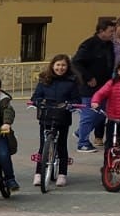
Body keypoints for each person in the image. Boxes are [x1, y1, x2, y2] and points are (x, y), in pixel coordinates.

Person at [29, 54, 81, 187]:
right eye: (58, 65)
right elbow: (36, 96)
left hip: (63, 116)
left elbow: (76, 99)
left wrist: (72, 105)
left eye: (63, 65)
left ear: (67, 67)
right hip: (46, 114)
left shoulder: (72, 81)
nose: (60, 68)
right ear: (52, 65)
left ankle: (62, 173)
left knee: (62, 144)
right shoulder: (44, 79)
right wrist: (37, 102)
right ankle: (38, 174)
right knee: (43, 145)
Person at [72, 17, 116, 152]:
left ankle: (81, 132)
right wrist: (88, 77)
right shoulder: (89, 44)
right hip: (88, 87)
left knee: (103, 113)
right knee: (89, 114)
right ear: (101, 31)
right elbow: (76, 62)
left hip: (104, 85)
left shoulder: (109, 45)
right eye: (110, 31)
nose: (112, 34)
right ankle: (83, 143)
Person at [91, 60, 120, 151]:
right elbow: (100, 93)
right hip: (113, 117)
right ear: (118, 71)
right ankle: (106, 163)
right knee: (110, 142)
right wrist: (96, 101)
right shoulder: (112, 83)